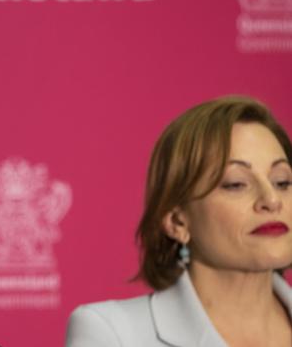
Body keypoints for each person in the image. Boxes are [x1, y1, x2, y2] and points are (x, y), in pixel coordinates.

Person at [65, 96, 292, 347]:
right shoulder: (113, 333)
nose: (272, 200)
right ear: (177, 222)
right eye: (236, 184)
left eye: (282, 182)